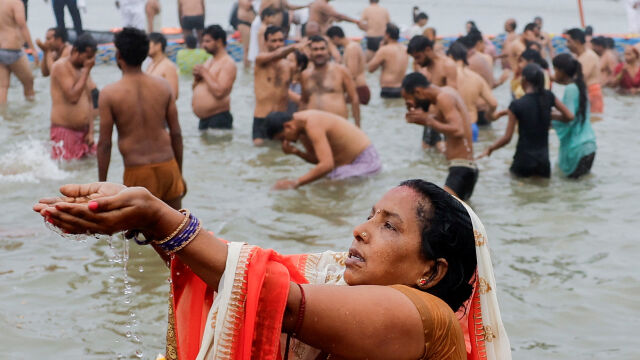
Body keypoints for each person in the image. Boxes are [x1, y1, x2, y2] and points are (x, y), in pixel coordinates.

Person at [35, 179, 512, 360]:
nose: (360, 230)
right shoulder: (337, 283)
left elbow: (272, 298)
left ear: (430, 272)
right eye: (369, 214)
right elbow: (232, 276)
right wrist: (143, 223)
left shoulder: (425, 317)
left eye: (389, 226)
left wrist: (158, 215)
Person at [97, 28, 184, 210]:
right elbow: (176, 133)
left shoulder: (109, 94)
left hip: (137, 172)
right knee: (175, 232)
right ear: (145, 54)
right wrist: (180, 174)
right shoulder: (163, 86)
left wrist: (101, 185)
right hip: (169, 167)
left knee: (139, 236)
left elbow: (105, 144)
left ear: (118, 55)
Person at [478, 64, 574, 178]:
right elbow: (569, 116)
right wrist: (548, 115)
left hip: (523, 160)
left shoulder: (517, 105)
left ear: (524, 80)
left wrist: (490, 148)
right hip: (543, 163)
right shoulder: (548, 97)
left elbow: (507, 138)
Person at [401, 72, 478, 201]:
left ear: (418, 92)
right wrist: (423, 118)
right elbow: (439, 122)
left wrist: (429, 121)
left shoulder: (443, 98)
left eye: (410, 100)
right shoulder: (446, 92)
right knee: (461, 217)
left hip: (461, 169)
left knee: (443, 214)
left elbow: (458, 130)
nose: (412, 105)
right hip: (466, 168)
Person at [265, 110, 381, 189]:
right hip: (347, 165)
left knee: (324, 186)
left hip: (366, 161)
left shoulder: (312, 124)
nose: (285, 142)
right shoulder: (301, 128)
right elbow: (319, 161)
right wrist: (297, 152)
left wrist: (295, 183)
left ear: (288, 126)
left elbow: (327, 165)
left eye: (282, 138)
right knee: (319, 184)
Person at [253, 26, 304, 145]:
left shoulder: (289, 66)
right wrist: (293, 47)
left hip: (282, 118)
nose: (278, 44)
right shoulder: (260, 60)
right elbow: (276, 54)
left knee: (282, 153)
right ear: (266, 42)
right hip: (262, 117)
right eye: (274, 41)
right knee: (260, 152)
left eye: (281, 40)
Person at [50, 33, 97, 161]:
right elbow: (73, 97)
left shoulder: (83, 69)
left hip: (85, 133)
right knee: (69, 172)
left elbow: (89, 101)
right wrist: (87, 71)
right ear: (75, 51)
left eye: (92, 57)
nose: (90, 61)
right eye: (87, 57)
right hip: (65, 132)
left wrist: (91, 131)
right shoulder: (60, 66)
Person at [551, 53, 597, 178]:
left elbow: (569, 116)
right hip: (589, 145)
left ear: (561, 71)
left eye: (554, 70)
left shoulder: (571, 88)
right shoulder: (580, 86)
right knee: (580, 188)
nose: (554, 73)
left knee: (571, 188)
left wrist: (550, 116)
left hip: (577, 147)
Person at [407, 36, 457, 149]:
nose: (417, 62)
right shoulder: (424, 69)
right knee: (426, 154)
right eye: (414, 59)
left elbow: (453, 97)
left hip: (445, 120)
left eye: (418, 57)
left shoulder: (447, 65)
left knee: (444, 152)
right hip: (430, 119)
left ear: (428, 50)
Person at [447, 42, 502, 142]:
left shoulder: (448, 77)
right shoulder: (476, 78)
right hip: (472, 126)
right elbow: (493, 103)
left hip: (454, 126)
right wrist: (489, 115)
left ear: (450, 56)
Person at [301, 36, 361, 127]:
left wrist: (357, 126)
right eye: (315, 49)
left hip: (338, 125)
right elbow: (304, 102)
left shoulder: (341, 71)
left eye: (322, 49)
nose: (319, 52)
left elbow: (354, 98)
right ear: (310, 52)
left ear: (328, 51)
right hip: (314, 126)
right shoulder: (305, 75)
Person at [192, 25, 237, 130]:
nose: (204, 45)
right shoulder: (209, 61)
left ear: (219, 42)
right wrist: (196, 79)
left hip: (218, 118)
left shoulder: (228, 63)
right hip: (204, 120)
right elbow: (195, 89)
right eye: (203, 41)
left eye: (208, 41)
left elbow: (220, 92)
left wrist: (204, 73)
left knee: (217, 146)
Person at [0, 0, 37, 105]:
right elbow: (22, 26)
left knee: (2, 87)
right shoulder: (16, 3)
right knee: (29, 82)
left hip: (0, 49)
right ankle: (30, 113)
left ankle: (3, 116)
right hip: (13, 49)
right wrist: (33, 49)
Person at [326, 25, 370, 105]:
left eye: (331, 42)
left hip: (358, 89)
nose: (332, 45)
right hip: (357, 89)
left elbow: (352, 73)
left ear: (336, 38)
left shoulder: (351, 48)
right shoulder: (350, 47)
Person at [565, 28, 603, 114]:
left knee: (593, 121)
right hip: (583, 93)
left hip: (592, 94)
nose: (566, 44)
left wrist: (559, 79)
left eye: (568, 41)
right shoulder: (578, 56)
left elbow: (579, 79)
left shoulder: (588, 56)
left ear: (577, 42)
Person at [367, 23, 409, 99]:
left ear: (387, 35)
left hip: (388, 89)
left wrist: (379, 49)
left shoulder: (384, 50)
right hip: (402, 88)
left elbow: (370, 68)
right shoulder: (405, 49)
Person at [147, 32, 179, 100]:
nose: (145, 47)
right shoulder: (151, 64)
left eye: (148, 44)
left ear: (158, 46)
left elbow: (174, 94)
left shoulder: (168, 66)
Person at [237, 0, 256, 67]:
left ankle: (251, 67)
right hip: (244, 24)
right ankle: (246, 68)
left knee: (253, 48)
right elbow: (247, 5)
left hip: (253, 25)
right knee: (247, 49)